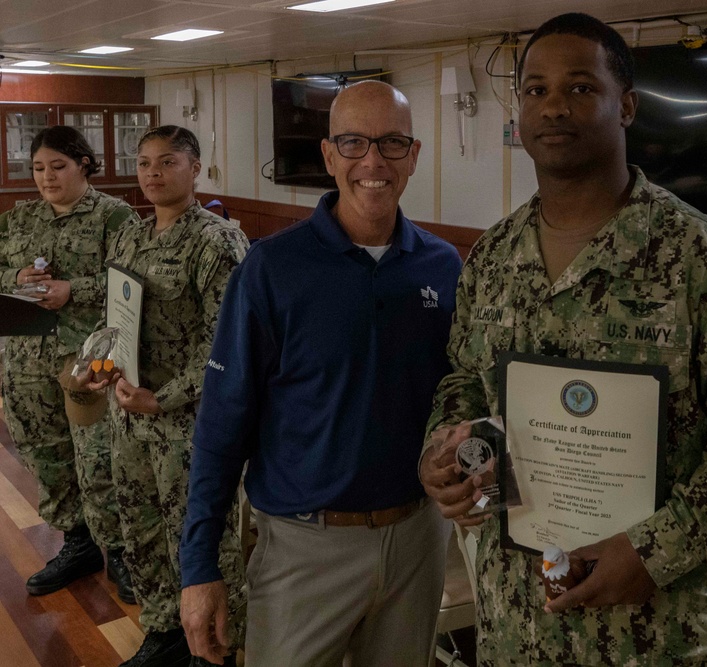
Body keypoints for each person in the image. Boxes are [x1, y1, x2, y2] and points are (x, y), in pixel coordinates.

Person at [420, 13, 707, 666]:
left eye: (580, 88)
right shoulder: (492, 257)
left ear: (626, 106)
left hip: (670, 638)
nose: (554, 106)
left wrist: (656, 549)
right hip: (520, 632)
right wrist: (455, 453)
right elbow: (466, 379)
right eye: (536, 90)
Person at [179, 80, 462, 666]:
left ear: (414, 154)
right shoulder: (271, 268)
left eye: (392, 142)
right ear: (330, 156)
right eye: (354, 143)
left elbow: (459, 398)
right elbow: (221, 423)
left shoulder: (442, 265)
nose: (374, 161)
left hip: (417, 541)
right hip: (303, 548)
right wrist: (199, 567)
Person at [89, 125, 249, 667]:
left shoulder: (216, 240)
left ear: (195, 169)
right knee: (143, 530)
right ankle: (162, 630)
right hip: (129, 414)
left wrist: (164, 398)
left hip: (188, 423)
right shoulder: (131, 234)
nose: (153, 174)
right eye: (144, 163)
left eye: (168, 162)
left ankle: (217, 646)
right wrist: (99, 364)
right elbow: (115, 315)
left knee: (201, 539)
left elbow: (226, 343)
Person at [0, 126, 137, 603]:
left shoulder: (113, 216)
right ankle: (78, 543)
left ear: (84, 164)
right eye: (38, 168)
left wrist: (72, 289)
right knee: (46, 453)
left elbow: (131, 281)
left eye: (58, 166)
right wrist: (15, 275)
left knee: (99, 456)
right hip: (25, 358)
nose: (46, 177)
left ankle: (118, 548)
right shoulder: (19, 220)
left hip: (89, 361)